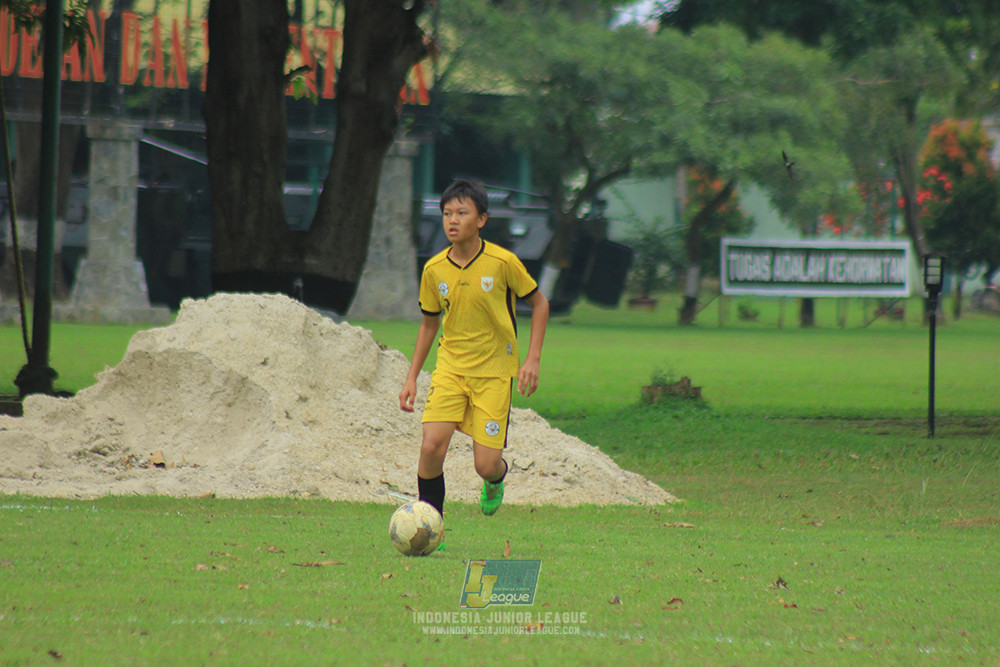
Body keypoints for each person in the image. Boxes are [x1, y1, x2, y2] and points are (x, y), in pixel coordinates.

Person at [399, 179, 549, 519]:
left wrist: (532, 360)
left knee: (485, 465)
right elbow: (428, 324)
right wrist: (411, 378)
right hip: (450, 369)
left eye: (462, 213)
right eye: (447, 213)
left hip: (494, 374)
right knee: (431, 446)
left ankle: (497, 478)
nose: (452, 220)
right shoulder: (434, 269)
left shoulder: (502, 262)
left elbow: (540, 304)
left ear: (481, 220)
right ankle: (430, 524)